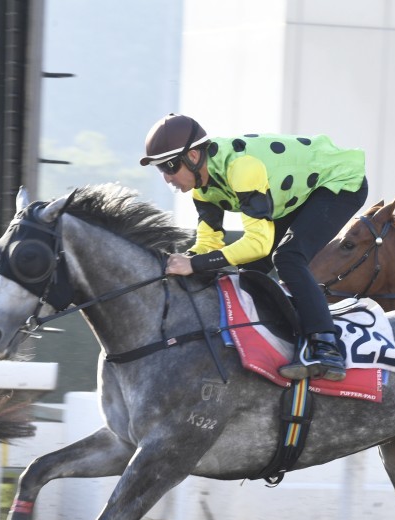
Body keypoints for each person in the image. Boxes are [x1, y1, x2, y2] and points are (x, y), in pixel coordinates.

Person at [140, 113, 369, 381]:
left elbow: (258, 243)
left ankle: (326, 347)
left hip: (338, 183)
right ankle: (286, 335)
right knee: (251, 270)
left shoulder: (241, 169)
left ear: (192, 157)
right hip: (294, 197)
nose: (167, 178)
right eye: (161, 170)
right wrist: (184, 262)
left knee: (287, 257)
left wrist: (196, 265)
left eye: (169, 166)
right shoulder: (203, 190)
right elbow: (208, 243)